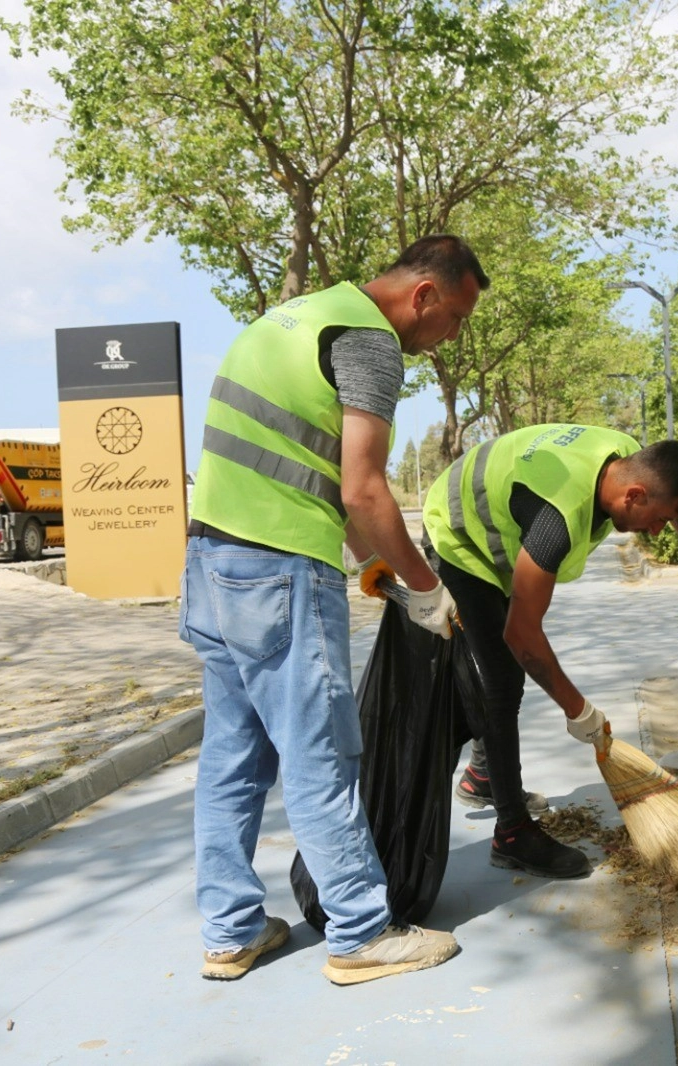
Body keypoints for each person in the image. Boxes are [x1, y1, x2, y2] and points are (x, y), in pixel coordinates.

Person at [179, 235, 488, 985]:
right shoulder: (369, 343)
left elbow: (305, 468)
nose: (448, 339)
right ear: (423, 294)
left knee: (232, 759)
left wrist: (376, 565)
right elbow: (364, 488)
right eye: (452, 318)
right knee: (320, 753)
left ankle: (231, 932)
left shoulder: (290, 320)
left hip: (210, 566)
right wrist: (423, 586)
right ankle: (359, 931)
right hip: (281, 571)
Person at [367, 423, 678, 879]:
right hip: (459, 534)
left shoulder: (633, 459)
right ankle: (512, 833)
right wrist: (579, 710)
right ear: (634, 495)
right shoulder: (557, 518)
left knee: (499, 672)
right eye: (656, 520)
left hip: (501, 515)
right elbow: (522, 634)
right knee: (501, 678)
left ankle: (482, 776)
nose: (656, 531)